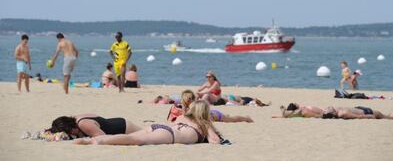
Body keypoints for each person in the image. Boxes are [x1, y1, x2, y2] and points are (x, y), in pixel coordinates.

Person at [74, 100, 221, 145]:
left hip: (159, 127)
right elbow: (215, 142)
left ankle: (94, 139)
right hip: (169, 135)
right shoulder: (204, 125)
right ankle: (97, 142)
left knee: (134, 137)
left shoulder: (183, 118)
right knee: (134, 140)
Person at [168, 90, 253, 123]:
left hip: (215, 115)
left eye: (188, 99)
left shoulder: (195, 106)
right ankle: (227, 115)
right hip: (212, 114)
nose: (186, 100)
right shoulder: (187, 106)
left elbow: (190, 116)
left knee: (232, 119)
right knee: (228, 118)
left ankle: (246, 118)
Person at [47, 114, 142, 138]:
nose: (71, 134)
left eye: (70, 132)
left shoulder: (83, 124)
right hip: (116, 122)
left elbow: (103, 137)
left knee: (149, 132)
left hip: (124, 128)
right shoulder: (76, 119)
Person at [322, 106, 393, 120]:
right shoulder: (343, 113)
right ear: (332, 113)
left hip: (358, 108)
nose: (328, 108)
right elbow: (358, 116)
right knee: (379, 114)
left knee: (380, 114)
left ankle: (387, 116)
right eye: (328, 109)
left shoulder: (333, 111)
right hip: (365, 112)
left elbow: (325, 112)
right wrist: (369, 116)